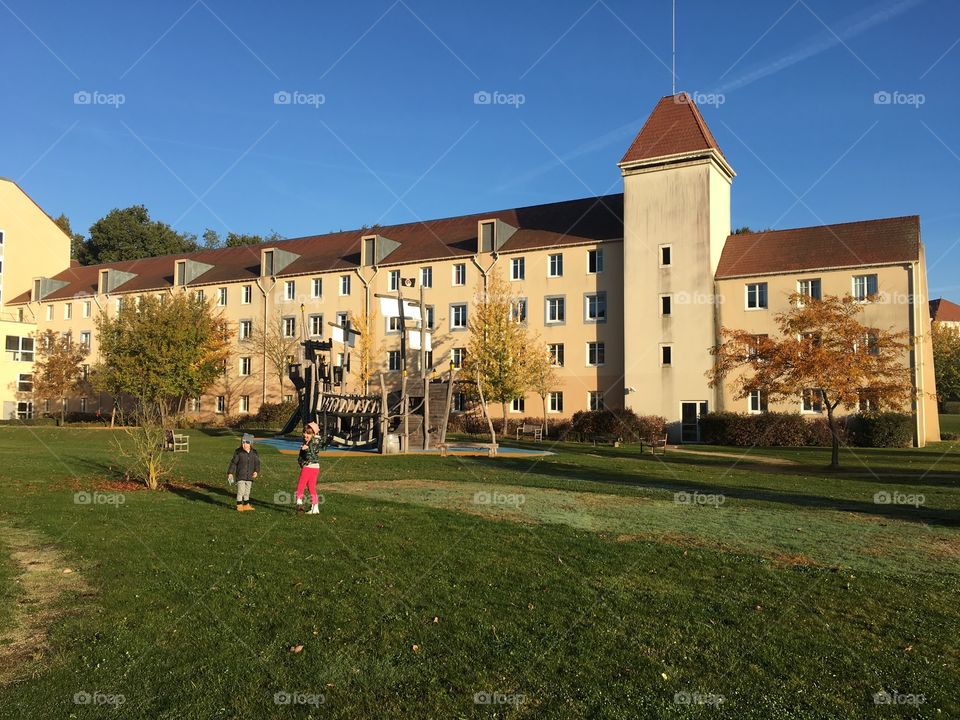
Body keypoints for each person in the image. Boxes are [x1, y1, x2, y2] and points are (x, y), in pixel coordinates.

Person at [227, 433, 260, 512]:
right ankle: (239, 505)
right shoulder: (238, 452)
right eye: (243, 442)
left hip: (249, 476)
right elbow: (233, 463)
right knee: (241, 491)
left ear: (250, 443)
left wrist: (256, 471)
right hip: (240, 476)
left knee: (247, 491)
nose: (244, 444)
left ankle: (246, 505)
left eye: (246, 442)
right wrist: (230, 473)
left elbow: (257, 463)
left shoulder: (254, 453)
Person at [296, 422, 322, 515]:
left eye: (308, 433)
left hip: (309, 467)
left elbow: (310, 453)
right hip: (315, 467)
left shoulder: (312, 443)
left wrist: (306, 449)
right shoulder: (310, 442)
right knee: (311, 487)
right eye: (304, 432)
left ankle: (299, 500)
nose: (305, 434)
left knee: (301, 483)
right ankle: (315, 508)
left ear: (313, 434)